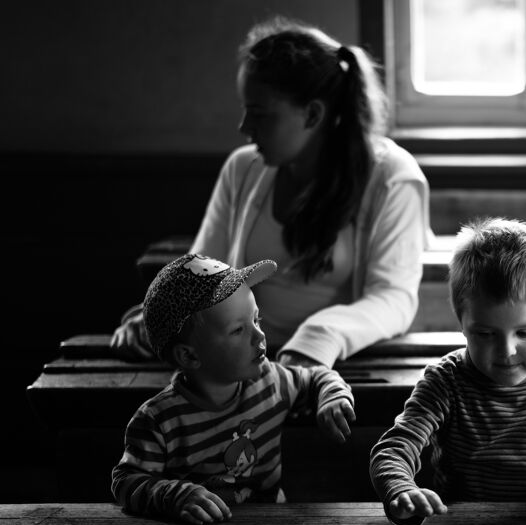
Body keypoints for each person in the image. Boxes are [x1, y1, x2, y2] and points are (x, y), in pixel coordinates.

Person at [111, 15, 431, 376]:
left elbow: (393, 299)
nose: (244, 127)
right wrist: (161, 317)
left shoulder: (392, 178)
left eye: (259, 114)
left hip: (339, 369)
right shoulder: (243, 168)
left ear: (312, 115)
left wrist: (314, 343)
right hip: (239, 367)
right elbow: (202, 277)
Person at [369, 217, 526, 525]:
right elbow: (393, 450)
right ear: (461, 321)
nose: (506, 351)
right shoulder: (445, 381)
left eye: (525, 333)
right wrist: (401, 491)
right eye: (486, 334)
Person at [111, 253, 355, 525]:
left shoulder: (271, 382)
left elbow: (317, 377)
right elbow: (126, 482)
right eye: (238, 330)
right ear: (189, 356)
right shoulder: (159, 421)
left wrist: (331, 396)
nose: (260, 335)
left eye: (256, 320)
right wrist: (175, 497)